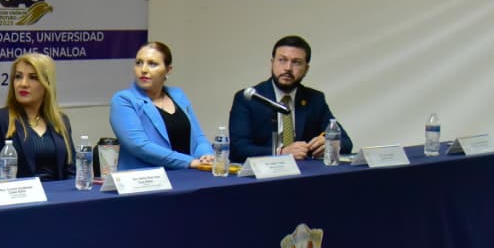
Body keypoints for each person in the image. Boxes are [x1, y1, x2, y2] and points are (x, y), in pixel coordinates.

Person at [229, 34, 352, 163]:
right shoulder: (250, 98)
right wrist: (281, 152)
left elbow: (347, 142)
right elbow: (239, 149)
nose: (288, 68)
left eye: (296, 62)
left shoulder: (315, 99)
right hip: (262, 172)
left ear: (306, 69)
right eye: (282, 60)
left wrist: (331, 144)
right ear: (272, 63)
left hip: (305, 172)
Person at [109, 41, 215, 171]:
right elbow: (139, 146)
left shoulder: (178, 95)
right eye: (139, 63)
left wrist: (206, 156)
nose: (143, 70)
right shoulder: (124, 100)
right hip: (147, 179)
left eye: (152, 64)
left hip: (187, 175)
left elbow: (198, 137)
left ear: (168, 70)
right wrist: (190, 162)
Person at [0, 52, 74, 181]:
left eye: (33, 77)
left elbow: (72, 171)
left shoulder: (61, 120)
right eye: (18, 76)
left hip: (59, 192)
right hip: (19, 192)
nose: (23, 84)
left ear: (47, 83)